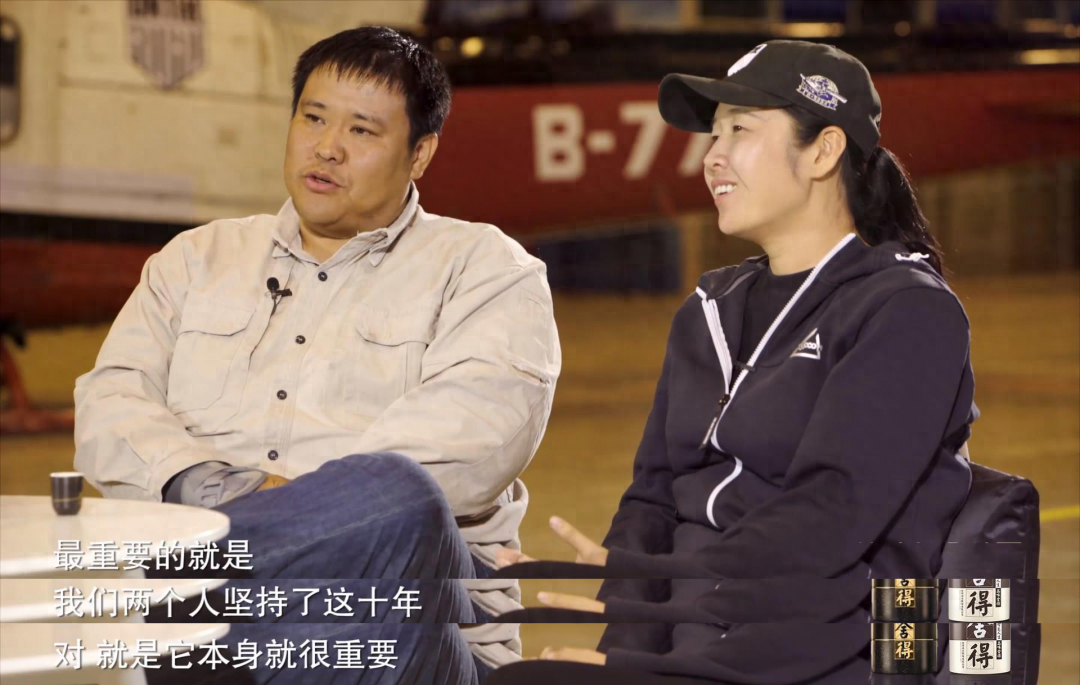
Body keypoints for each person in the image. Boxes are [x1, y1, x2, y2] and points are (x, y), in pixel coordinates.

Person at [73, 26, 561, 685]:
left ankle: (187, 586)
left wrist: (269, 522)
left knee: (398, 494)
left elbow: (468, 450)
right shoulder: (194, 260)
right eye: (313, 118)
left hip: (404, 628)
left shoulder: (488, 272)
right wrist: (229, 489)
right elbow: (109, 405)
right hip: (224, 629)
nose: (327, 147)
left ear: (420, 154)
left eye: (361, 130)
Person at [486, 40, 975, 685]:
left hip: (824, 658)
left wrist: (671, 629)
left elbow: (830, 520)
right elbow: (651, 500)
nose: (712, 157)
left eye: (740, 130)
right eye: (713, 135)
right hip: (691, 648)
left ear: (823, 151)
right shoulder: (709, 309)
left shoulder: (905, 311)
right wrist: (625, 647)